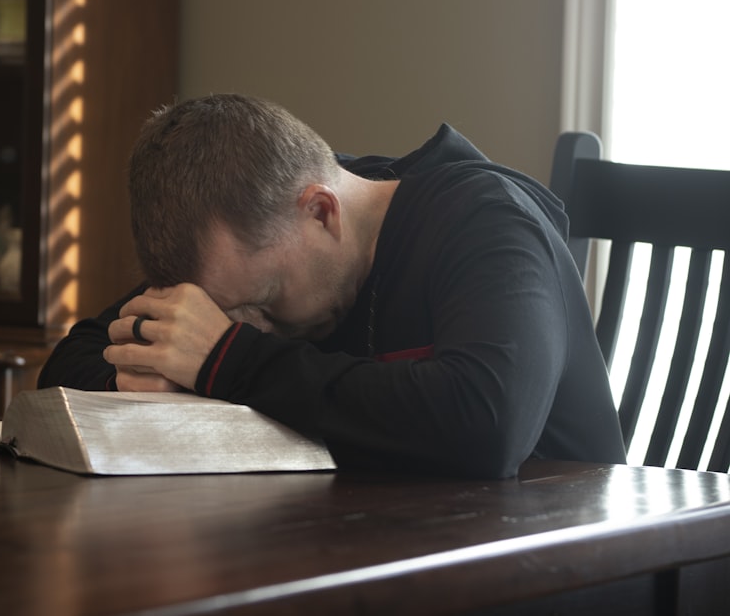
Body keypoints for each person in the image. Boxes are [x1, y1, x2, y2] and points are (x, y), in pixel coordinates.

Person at [38, 93, 627, 479]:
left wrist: (226, 359)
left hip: (563, 562)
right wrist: (144, 370)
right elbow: (71, 362)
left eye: (263, 303)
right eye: (225, 315)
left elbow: (487, 423)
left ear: (321, 211)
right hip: (371, 545)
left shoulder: (488, 221)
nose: (250, 326)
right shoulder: (248, 243)